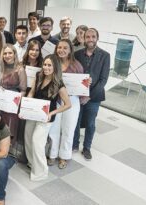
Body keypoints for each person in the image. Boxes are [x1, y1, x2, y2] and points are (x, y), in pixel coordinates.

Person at [23, 54, 71, 181]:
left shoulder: (59, 84)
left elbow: (68, 105)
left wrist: (52, 113)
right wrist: (27, 103)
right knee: (28, 138)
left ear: (55, 67)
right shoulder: (39, 76)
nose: (46, 67)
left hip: (46, 117)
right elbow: (32, 91)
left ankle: (41, 172)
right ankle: (32, 163)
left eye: (49, 65)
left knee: (37, 142)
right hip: (33, 112)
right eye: (45, 64)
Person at [73, 28, 110, 160]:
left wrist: (89, 96)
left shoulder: (105, 55)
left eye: (93, 36)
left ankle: (87, 147)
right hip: (78, 95)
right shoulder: (77, 54)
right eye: (87, 36)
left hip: (94, 97)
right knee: (76, 121)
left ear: (97, 38)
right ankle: (75, 144)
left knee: (90, 123)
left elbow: (103, 80)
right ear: (84, 38)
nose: (90, 39)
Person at [48, 39, 85, 169]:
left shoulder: (77, 66)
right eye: (59, 48)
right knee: (53, 129)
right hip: (55, 100)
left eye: (65, 48)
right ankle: (52, 154)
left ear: (70, 50)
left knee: (68, 129)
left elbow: (82, 85)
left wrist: (87, 84)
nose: (61, 50)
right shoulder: (52, 63)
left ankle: (64, 155)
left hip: (72, 101)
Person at [0, 44, 27, 144]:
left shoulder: (20, 69)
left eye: (10, 53)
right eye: (5, 53)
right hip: (1, 102)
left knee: (10, 127)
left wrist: (15, 101)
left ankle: (10, 150)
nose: (7, 55)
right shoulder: (0, 68)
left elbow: (23, 90)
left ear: (14, 54)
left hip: (13, 104)